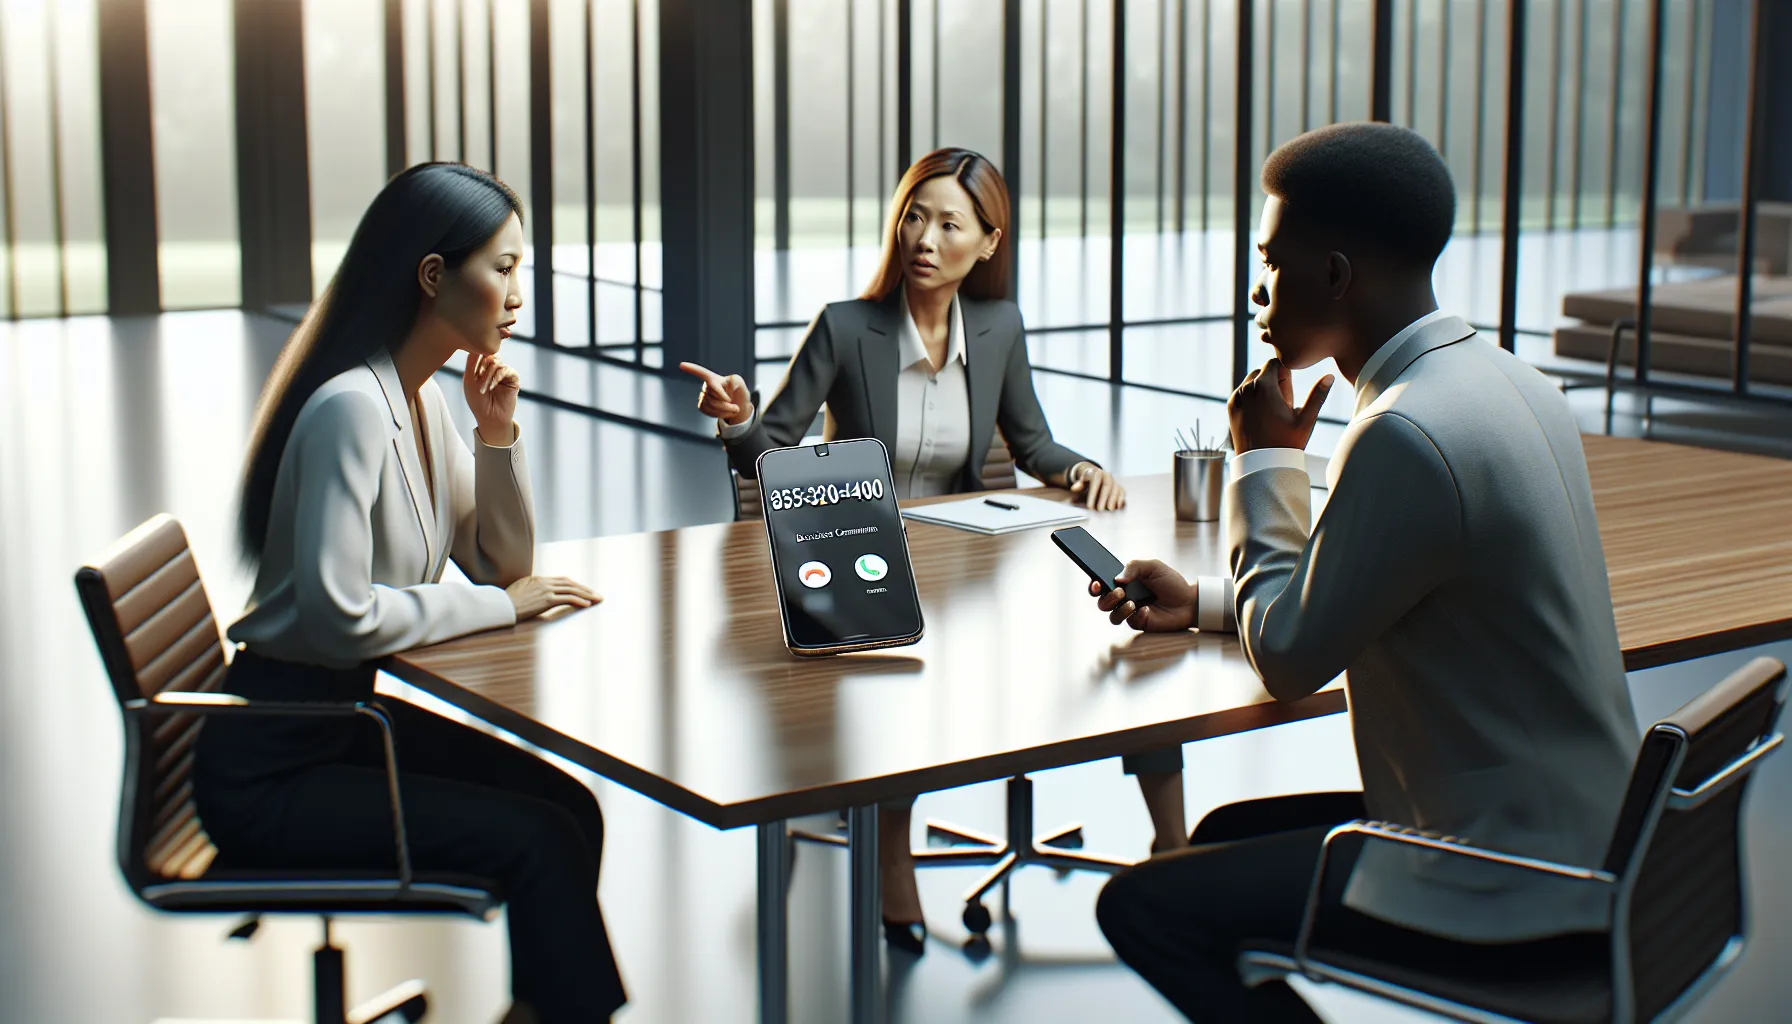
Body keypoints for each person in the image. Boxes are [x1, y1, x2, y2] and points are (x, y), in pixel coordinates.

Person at [1086, 123, 1641, 1021]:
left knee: (1147, 909)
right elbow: (1396, 588)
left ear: (1336, 275)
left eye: (1272, 262)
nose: (1259, 292)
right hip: (1599, 835)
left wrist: (1263, 461)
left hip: (1508, 877)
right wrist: (1209, 604)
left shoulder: (1406, 434)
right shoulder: (1510, 383)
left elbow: (1294, 659)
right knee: (1219, 842)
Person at [679, 148, 1189, 953]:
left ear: (987, 243)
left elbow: (1032, 441)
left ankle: (1173, 845)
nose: (923, 236)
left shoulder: (998, 326)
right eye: (915, 215)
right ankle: (891, 856)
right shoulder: (847, 328)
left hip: (963, 560)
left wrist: (1080, 468)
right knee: (898, 673)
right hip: (857, 560)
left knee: (1132, 623)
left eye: (949, 222)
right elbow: (768, 453)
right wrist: (739, 420)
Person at [193, 163, 624, 1024]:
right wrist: (510, 606)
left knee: (568, 806)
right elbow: (340, 615)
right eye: (501, 268)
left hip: (340, 722)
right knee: (540, 838)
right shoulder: (350, 408)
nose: (516, 294)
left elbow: (501, 564)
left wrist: (496, 439)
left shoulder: (418, 402)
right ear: (434, 275)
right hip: (276, 758)